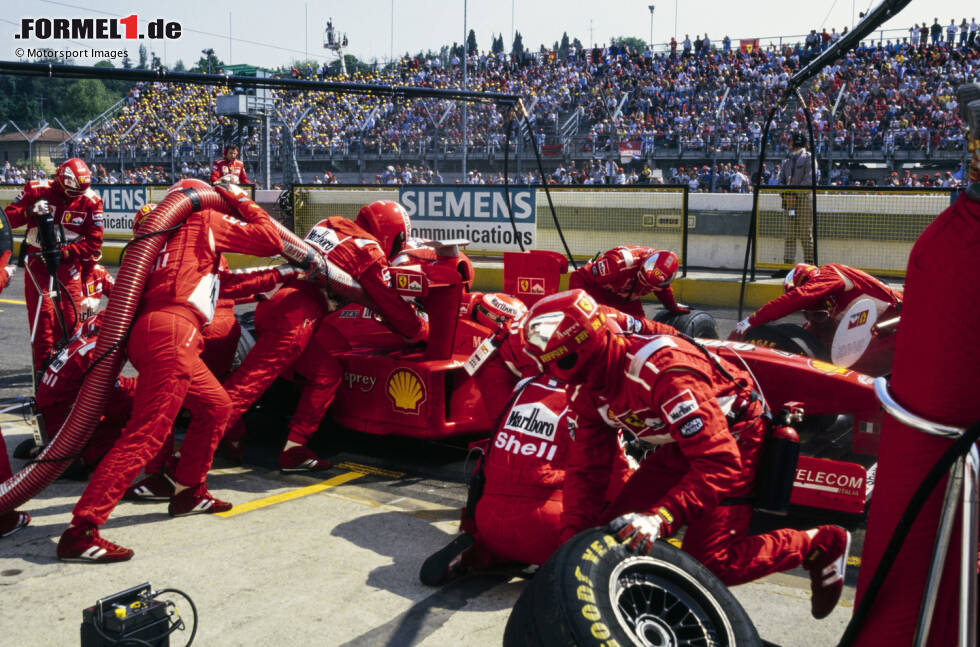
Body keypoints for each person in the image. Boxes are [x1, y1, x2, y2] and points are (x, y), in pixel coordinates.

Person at [522, 289, 851, 619]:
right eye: (548, 367)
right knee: (608, 537)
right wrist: (569, 545)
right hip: (678, 441)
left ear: (585, 346)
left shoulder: (665, 373)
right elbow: (586, 471)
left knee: (710, 564)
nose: (559, 377)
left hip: (735, 437)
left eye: (562, 364)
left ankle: (821, 543)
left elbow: (719, 463)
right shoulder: (584, 386)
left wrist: (661, 517)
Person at [56, 179, 286, 563]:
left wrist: (280, 278)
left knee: (216, 407)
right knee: (146, 433)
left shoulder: (162, 239)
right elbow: (271, 240)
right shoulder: (202, 222)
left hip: (155, 331)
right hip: (174, 331)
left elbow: (224, 284)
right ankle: (82, 530)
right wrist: (240, 199)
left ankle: (188, 491)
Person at [218, 200, 429, 472]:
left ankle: (294, 450)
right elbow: (399, 314)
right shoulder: (369, 251)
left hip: (282, 306)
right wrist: (423, 326)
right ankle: (184, 464)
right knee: (246, 387)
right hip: (294, 319)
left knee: (326, 374)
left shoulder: (329, 223)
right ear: (393, 233)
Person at [4, 158, 104, 371]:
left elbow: (94, 242)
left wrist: (65, 252)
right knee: (43, 319)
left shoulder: (92, 200)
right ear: (60, 180)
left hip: (68, 265)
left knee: (71, 321)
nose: (73, 198)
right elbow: (8, 219)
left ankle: (71, 368)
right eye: (70, 192)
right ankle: (43, 371)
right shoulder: (35, 189)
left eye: (78, 193)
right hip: (37, 263)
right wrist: (30, 211)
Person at [732, 262, 903, 361]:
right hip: (885, 336)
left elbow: (802, 296)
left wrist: (752, 320)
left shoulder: (831, 272)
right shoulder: (822, 316)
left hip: (904, 317)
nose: (811, 312)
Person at [35, 314, 137, 475]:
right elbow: (116, 405)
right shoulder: (102, 353)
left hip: (49, 412)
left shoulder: (92, 332)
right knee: (133, 418)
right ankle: (82, 459)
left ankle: (50, 448)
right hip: (63, 424)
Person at [568, 246, 687, 319]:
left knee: (642, 332)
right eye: (644, 282)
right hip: (598, 295)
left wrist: (673, 308)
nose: (648, 287)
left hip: (626, 301)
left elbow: (663, 290)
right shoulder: (617, 263)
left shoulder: (659, 274)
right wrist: (578, 309)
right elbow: (578, 277)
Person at [777, 132, 814, 269]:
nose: (788, 144)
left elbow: (810, 180)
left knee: (805, 234)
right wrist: (785, 195)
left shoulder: (809, 158)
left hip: (803, 201)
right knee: (789, 235)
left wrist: (794, 194)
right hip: (788, 203)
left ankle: (810, 267)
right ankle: (787, 266)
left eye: (790, 141)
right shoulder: (786, 161)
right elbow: (780, 182)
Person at [79, 254, 113, 319]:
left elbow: (118, 295)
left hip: (89, 321)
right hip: (69, 323)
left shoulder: (100, 272)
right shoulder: (67, 275)